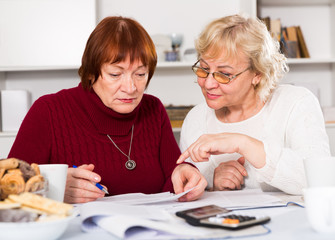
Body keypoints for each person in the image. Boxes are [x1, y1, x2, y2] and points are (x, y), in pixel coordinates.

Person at [8, 16, 206, 203]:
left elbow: (173, 175)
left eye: (140, 74)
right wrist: (53, 188)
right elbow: (7, 185)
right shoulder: (48, 111)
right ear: (91, 72)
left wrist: (184, 173)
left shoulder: (153, 109)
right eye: (115, 74)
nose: (130, 88)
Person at [176, 14, 330, 195]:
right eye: (204, 69)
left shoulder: (296, 103)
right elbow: (191, 185)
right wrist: (212, 182)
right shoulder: (196, 118)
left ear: (258, 74)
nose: (208, 83)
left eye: (224, 74)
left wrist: (242, 143)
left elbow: (320, 181)